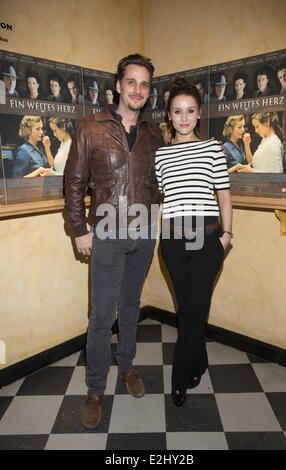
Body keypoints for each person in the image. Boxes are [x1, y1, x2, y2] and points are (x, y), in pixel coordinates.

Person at [64, 53, 164, 428]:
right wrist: (79, 230)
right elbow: (73, 184)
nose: (138, 89)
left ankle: (127, 367)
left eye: (145, 84)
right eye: (132, 82)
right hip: (105, 232)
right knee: (102, 315)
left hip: (143, 233)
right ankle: (94, 389)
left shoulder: (154, 133)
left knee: (132, 306)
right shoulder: (91, 128)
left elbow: (160, 183)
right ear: (119, 85)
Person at [155, 78, 232, 407]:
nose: (183, 117)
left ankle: (179, 378)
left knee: (194, 309)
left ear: (199, 114)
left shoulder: (213, 149)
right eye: (177, 111)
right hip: (172, 241)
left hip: (208, 239)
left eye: (189, 111)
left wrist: (227, 237)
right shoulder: (161, 155)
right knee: (187, 309)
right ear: (169, 116)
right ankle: (199, 362)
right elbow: (163, 197)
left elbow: (224, 196)